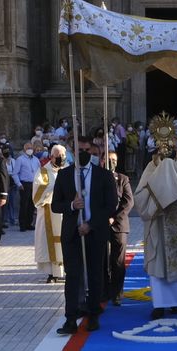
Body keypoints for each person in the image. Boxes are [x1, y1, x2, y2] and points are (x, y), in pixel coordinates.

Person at [134, 122, 177, 318]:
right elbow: (140, 195)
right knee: (160, 263)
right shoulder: (151, 167)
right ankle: (160, 303)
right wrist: (164, 174)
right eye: (164, 146)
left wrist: (170, 171)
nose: (168, 150)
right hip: (159, 221)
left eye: (172, 147)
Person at [52, 136, 117, 334]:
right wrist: (72, 205)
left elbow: (110, 205)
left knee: (95, 274)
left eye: (87, 150)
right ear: (73, 151)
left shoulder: (103, 175)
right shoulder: (64, 175)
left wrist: (90, 224)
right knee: (73, 276)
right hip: (72, 233)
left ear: (93, 151)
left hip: (94, 232)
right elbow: (56, 205)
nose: (83, 153)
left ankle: (93, 314)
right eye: (79, 150)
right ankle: (71, 318)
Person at [34, 144, 67, 282]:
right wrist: (55, 187)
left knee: (65, 241)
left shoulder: (69, 170)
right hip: (49, 212)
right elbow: (36, 194)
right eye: (57, 156)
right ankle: (52, 273)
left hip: (65, 213)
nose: (59, 159)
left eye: (62, 156)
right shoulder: (43, 172)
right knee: (49, 244)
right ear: (51, 156)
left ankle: (66, 270)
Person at [104, 151, 134, 304]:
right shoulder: (98, 177)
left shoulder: (123, 179)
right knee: (102, 259)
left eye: (114, 160)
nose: (111, 162)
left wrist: (114, 217)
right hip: (101, 224)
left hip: (119, 225)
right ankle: (104, 291)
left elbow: (128, 202)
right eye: (108, 159)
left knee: (118, 261)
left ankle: (117, 294)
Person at [13, 142, 39, 232]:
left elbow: (39, 172)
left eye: (31, 148)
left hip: (34, 184)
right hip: (24, 184)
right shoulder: (20, 159)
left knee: (32, 205)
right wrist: (19, 184)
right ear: (24, 149)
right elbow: (15, 173)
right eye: (28, 148)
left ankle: (29, 223)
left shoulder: (36, 160)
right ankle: (22, 225)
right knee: (24, 205)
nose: (30, 149)